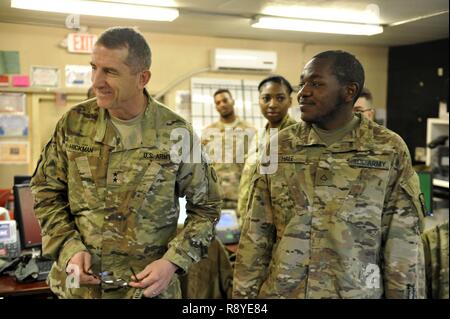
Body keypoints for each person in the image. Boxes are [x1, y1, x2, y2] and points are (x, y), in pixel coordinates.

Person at [30, 27, 221, 299]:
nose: (96, 81)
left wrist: (172, 261)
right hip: (81, 289)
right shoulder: (74, 123)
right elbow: (45, 192)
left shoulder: (176, 133)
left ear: (142, 78)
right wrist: (69, 248)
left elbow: (207, 208)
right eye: (94, 67)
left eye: (110, 71)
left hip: (144, 289)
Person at [233, 50, 426, 299]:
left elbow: (403, 243)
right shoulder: (280, 146)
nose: (303, 92)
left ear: (349, 91)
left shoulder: (387, 149)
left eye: (316, 84)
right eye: (302, 84)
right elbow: (256, 233)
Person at [237, 75, 297, 223]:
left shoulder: (297, 137)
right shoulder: (259, 135)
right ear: (259, 101)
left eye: (280, 98)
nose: (272, 104)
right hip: (251, 222)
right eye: (266, 98)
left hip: (280, 225)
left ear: (290, 101)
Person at [201, 89, 256, 220]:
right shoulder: (208, 132)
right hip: (215, 198)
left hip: (241, 197)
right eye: (218, 102)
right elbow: (201, 166)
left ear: (233, 101)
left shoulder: (250, 131)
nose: (222, 105)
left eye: (225, 100)